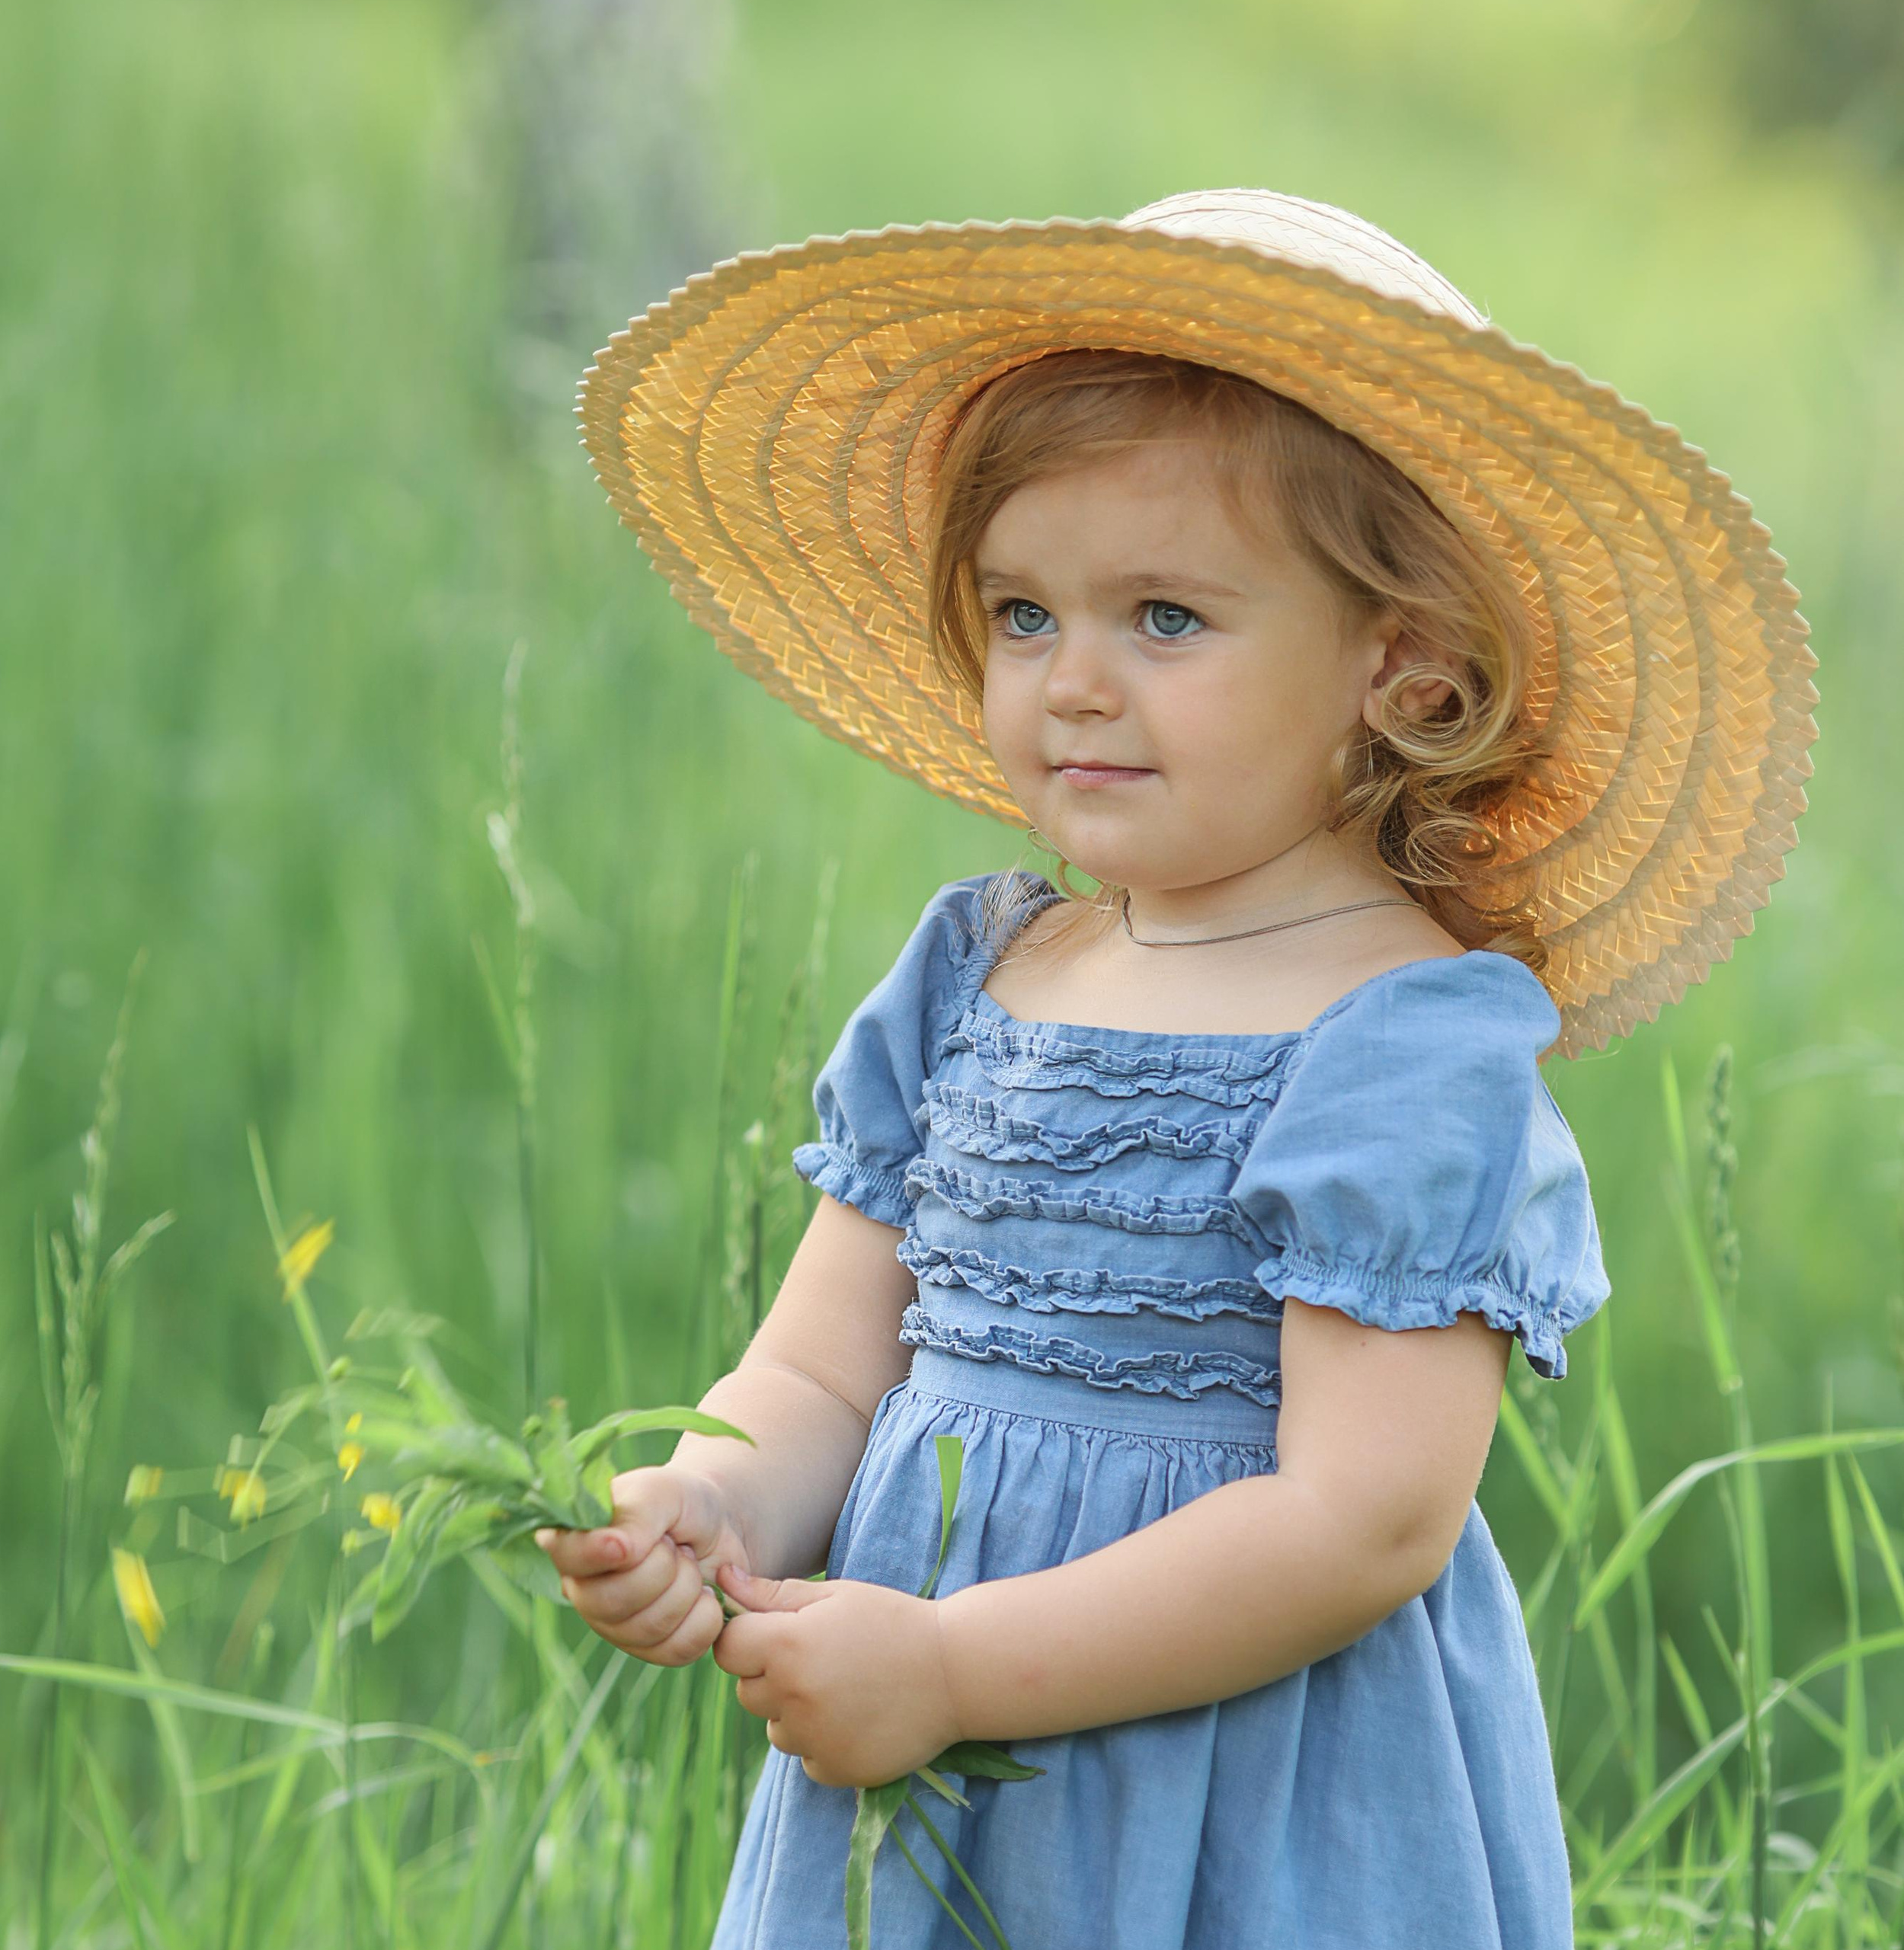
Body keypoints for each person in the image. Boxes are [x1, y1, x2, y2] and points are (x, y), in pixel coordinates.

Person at [539, 190, 1818, 1947]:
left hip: (1251, 1796)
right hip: (932, 1793)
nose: (1070, 683)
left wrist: (950, 1660)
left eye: (1161, 617)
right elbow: (823, 1371)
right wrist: (709, 1498)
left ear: (1402, 666)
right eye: (1020, 612)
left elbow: (1358, 1520)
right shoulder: (976, 973)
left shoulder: (1400, 1045)